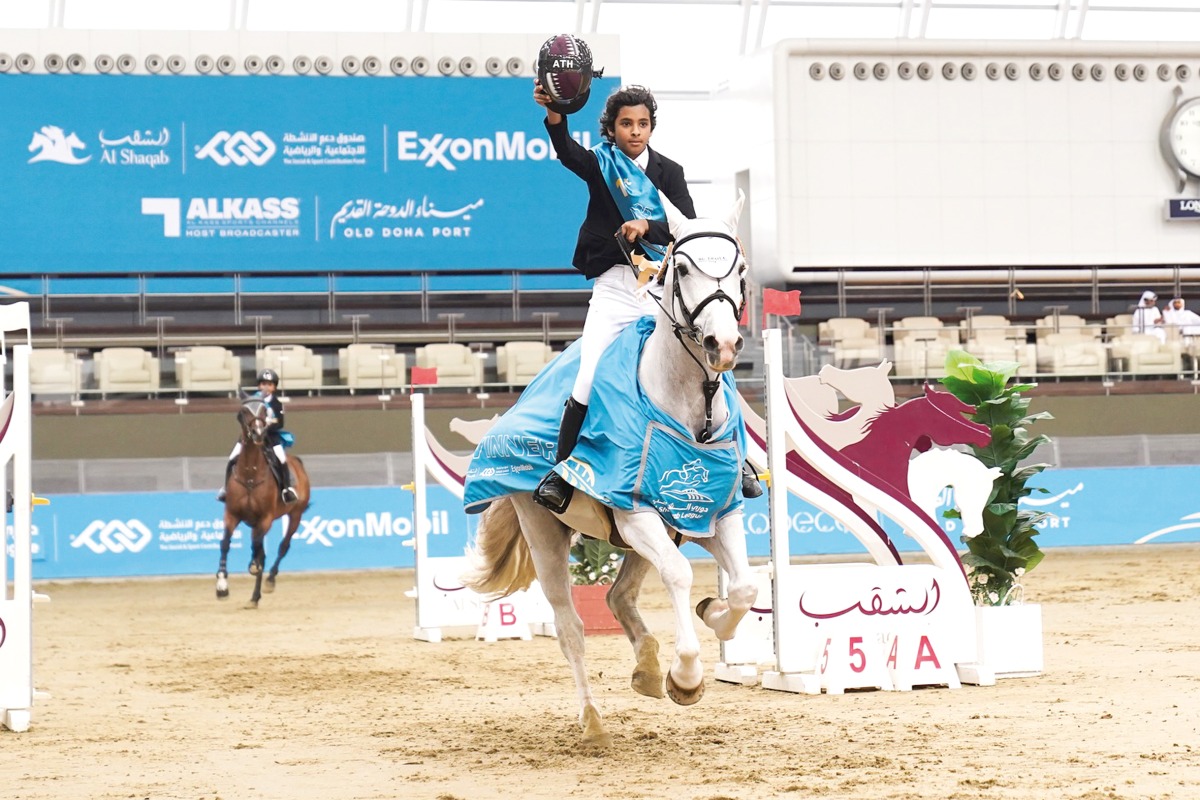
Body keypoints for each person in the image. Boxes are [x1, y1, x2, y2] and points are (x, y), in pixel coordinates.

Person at [531, 78, 761, 513]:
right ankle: (561, 474)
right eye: (625, 124)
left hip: (660, 287)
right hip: (615, 288)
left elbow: (686, 226)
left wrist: (648, 228)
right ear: (612, 129)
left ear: (651, 127)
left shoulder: (669, 171)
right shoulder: (602, 164)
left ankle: (741, 458)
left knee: (714, 360)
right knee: (588, 374)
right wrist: (556, 117)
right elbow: (568, 153)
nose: (635, 131)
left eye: (642, 123)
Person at [216, 368, 298, 503]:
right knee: (232, 458)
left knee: (281, 458)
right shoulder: (251, 400)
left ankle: (286, 488)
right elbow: (240, 416)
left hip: (270, 436)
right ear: (259, 385)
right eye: (263, 383)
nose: (266, 387)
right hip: (249, 436)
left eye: (270, 384)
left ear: (274, 387)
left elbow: (280, 423)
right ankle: (226, 488)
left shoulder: (277, 403)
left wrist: (266, 426)